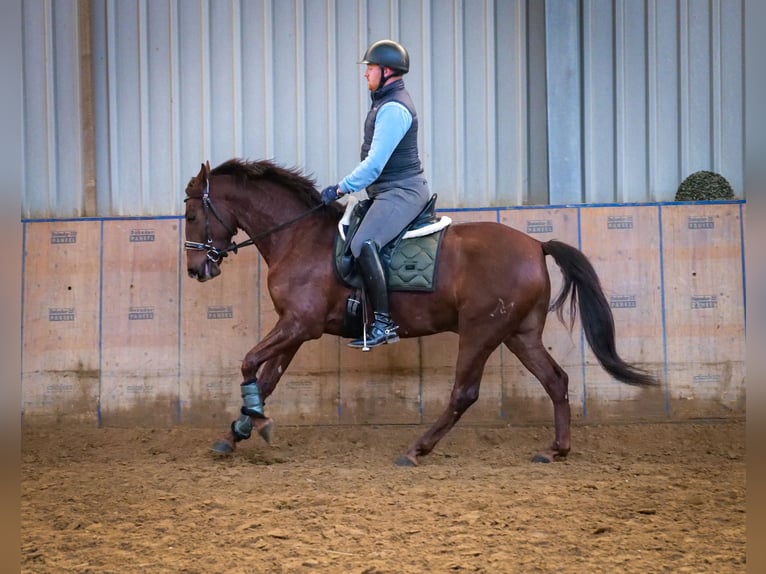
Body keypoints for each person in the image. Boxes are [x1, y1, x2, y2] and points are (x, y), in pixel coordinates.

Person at [321, 39, 431, 350]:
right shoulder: (384, 102)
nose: (365, 73)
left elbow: (373, 165)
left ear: (386, 72)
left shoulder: (394, 108)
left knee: (362, 242)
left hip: (403, 191)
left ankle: (383, 322)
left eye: (370, 68)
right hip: (387, 190)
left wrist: (340, 187)